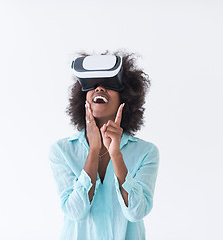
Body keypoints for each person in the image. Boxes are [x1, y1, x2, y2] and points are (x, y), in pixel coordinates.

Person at [49, 51, 159, 240]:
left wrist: (116, 155)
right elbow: (75, 212)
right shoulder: (61, 151)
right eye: (92, 85)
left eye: (108, 85)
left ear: (124, 97)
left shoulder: (146, 152)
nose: (99, 88)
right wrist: (93, 150)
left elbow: (136, 212)